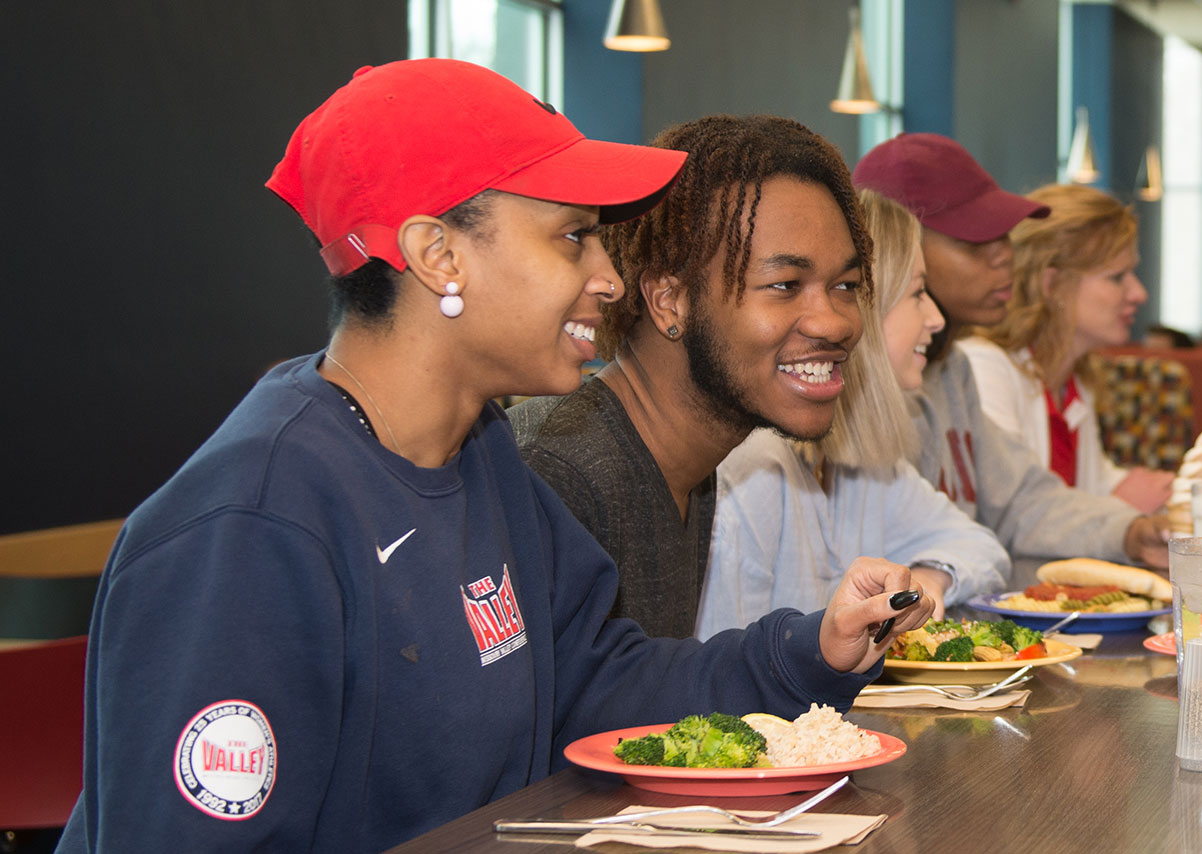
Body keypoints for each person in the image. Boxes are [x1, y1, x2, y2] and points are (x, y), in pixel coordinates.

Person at [57, 62, 925, 852]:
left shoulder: (484, 462)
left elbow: (601, 689)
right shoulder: (253, 522)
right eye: (571, 238)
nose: (610, 278)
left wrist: (810, 650)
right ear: (439, 255)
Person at [506, 115, 944, 639]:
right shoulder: (559, 476)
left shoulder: (690, 467)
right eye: (784, 284)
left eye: (846, 285)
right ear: (670, 300)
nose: (834, 323)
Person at [852, 132, 1172, 567]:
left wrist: (1128, 532)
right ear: (893, 249)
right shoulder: (854, 396)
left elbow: (1022, 501)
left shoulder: (954, 369)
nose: (1006, 256)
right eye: (974, 240)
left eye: (1004, 236)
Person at [700, 191, 1008, 631]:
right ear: (869, 309)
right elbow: (721, 668)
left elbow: (981, 547)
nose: (937, 319)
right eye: (919, 293)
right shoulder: (753, 470)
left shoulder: (867, 466)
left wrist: (930, 580)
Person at [956, 184, 1202, 513]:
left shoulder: (1073, 380)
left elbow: (1100, 485)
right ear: (1051, 284)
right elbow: (1010, 517)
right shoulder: (984, 369)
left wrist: (1201, 494)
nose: (1138, 294)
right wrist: (1119, 507)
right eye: (1118, 277)